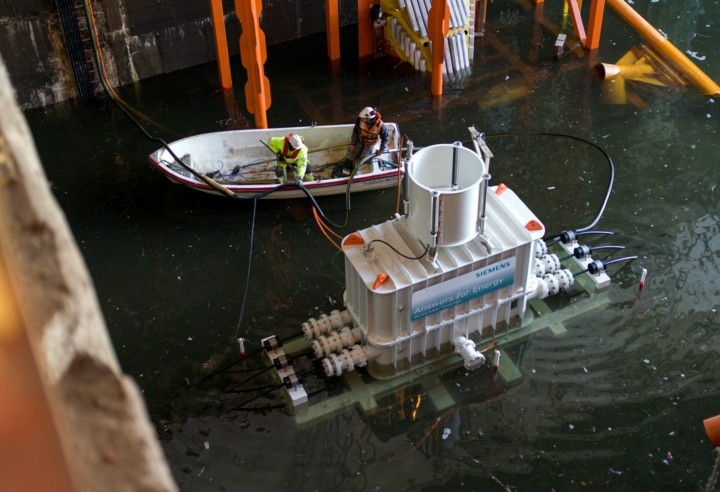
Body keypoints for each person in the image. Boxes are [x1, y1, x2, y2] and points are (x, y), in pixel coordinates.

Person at [334, 107, 389, 177]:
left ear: (370, 118)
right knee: (351, 154)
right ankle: (347, 170)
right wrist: (353, 144)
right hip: (359, 141)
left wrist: (381, 150)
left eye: (365, 118)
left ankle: (357, 168)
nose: (363, 120)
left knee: (364, 159)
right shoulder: (360, 120)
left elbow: (385, 139)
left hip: (370, 144)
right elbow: (355, 132)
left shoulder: (381, 126)